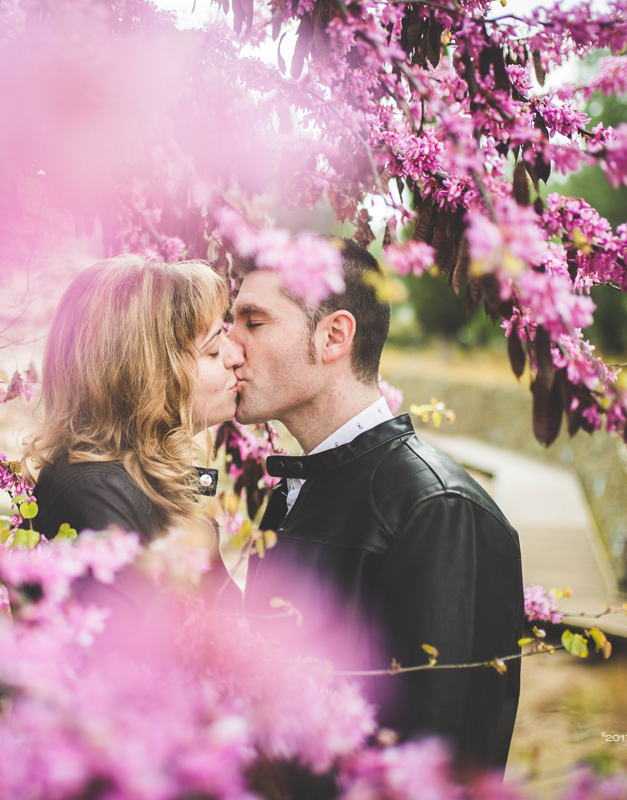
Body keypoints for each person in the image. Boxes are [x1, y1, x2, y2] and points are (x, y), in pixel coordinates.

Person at [228, 239, 525, 769]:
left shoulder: (437, 509)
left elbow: (440, 758)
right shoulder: (293, 493)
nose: (230, 347)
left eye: (253, 322)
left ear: (334, 336)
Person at [25, 254, 243, 548]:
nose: (236, 357)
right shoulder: (96, 493)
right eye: (214, 350)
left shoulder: (142, 481)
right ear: (149, 377)